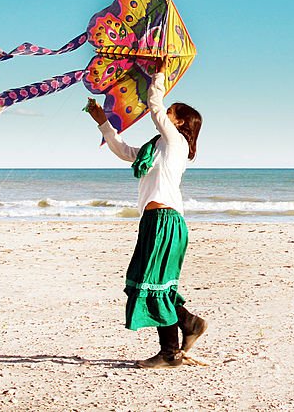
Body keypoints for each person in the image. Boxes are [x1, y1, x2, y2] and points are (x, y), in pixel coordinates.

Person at [85, 59, 207, 368]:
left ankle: (170, 353)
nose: (166, 113)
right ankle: (189, 323)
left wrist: (159, 74)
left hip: (166, 221)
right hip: (153, 222)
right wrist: (102, 121)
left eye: (172, 112)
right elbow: (123, 151)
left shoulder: (175, 143)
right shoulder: (155, 149)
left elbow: (154, 105)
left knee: (154, 283)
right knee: (148, 280)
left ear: (180, 123)